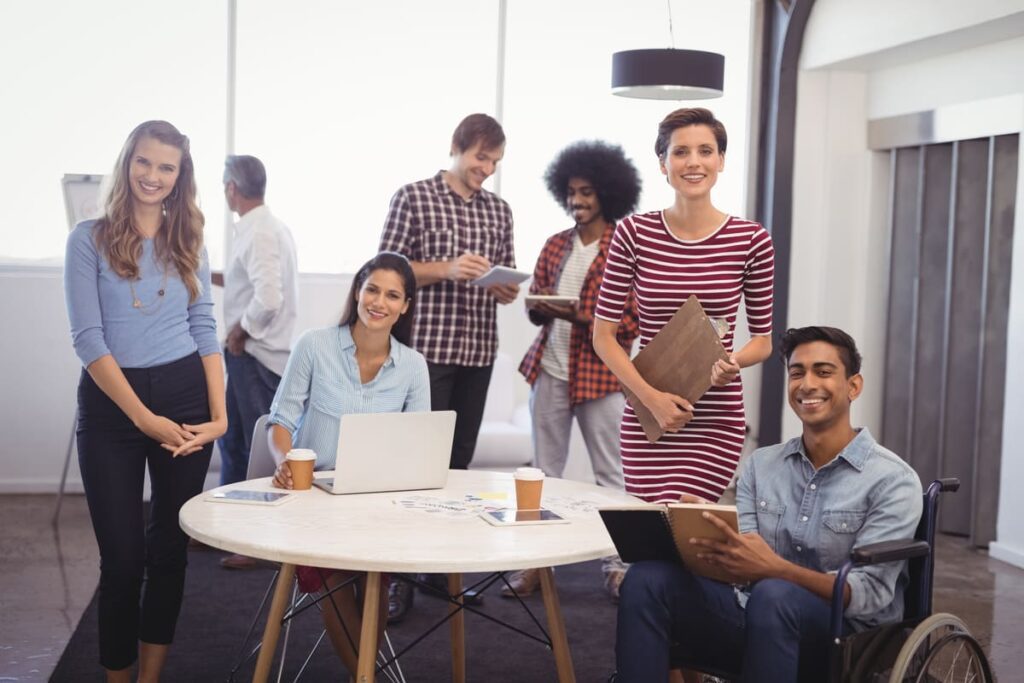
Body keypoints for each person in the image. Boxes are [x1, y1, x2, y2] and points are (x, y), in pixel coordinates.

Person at [614, 327, 924, 682]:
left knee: (775, 595)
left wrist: (777, 570)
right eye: (797, 373)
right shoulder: (762, 466)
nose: (807, 384)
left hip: (846, 638)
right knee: (646, 578)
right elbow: (745, 566)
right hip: (758, 617)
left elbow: (869, 595)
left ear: (853, 386)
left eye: (823, 372)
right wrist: (706, 531)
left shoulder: (893, 479)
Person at [64, 120, 226, 682]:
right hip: (115, 409)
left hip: (186, 395)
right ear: (127, 162)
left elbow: (204, 325)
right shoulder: (87, 238)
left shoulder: (191, 239)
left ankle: (151, 678)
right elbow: (88, 338)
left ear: (181, 177)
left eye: (166, 167)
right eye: (144, 162)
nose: (152, 176)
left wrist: (221, 417)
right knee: (123, 562)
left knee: (169, 554)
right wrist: (145, 418)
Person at [593, 107, 776, 505]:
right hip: (648, 416)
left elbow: (763, 341)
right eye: (680, 152)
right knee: (651, 531)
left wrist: (735, 362)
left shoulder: (751, 240)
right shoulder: (633, 234)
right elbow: (603, 337)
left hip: (715, 417)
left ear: (721, 161)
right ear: (663, 163)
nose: (694, 162)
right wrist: (650, 399)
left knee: (691, 530)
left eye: (706, 151)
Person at [379, 113, 517, 619]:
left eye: (496, 161)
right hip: (426, 352)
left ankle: (437, 570)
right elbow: (386, 270)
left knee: (457, 466)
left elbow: (505, 289)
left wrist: (505, 287)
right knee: (415, 467)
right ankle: (399, 578)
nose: (488, 169)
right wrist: (448, 269)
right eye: (482, 157)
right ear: (457, 147)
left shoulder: (499, 211)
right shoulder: (412, 196)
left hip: (479, 351)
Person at [267, 251, 430, 676]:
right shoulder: (314, 345)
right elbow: (280, 420)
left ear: (405, 305)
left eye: (392, 295)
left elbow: (418, 445)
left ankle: (364, 676)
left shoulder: (413, 367)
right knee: (339, 577)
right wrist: (284, 460)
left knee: (374, 577)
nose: (379, 302)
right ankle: (370, 677)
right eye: (372, 289)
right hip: (313, 499)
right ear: (357, 291)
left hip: (376, 503)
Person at [505, 141, 641, 602]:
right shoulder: (555, 245)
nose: (577, 202)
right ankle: (535, 567)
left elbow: (629, 324)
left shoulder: (626, 246)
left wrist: (580, 314)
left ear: (607, 193)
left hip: (602, 377)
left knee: (612, 475)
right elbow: (536, 310)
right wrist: (543, 308)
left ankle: (619, 565)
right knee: (540, 473)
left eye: (586, 192)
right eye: (571, 193)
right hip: (551, 371)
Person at [214, 155, 299, 570]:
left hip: (255, 353)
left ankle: (257, 541)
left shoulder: (260, 231)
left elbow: (268, 298)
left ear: (232, 187)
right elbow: (252, 283)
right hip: (248, 354)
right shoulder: (262, 227)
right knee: (232, 441)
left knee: (253, 449)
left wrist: (238, 331)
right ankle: (228, 529)